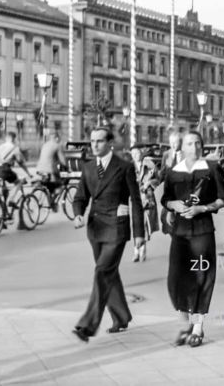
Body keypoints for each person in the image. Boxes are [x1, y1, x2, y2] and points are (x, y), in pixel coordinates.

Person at [71, 127, 145, 342]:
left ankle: (87, 325)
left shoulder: (124, 167)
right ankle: (122, 316)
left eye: (100, 141)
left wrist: (139, 232)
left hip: (116, 228)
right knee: (109, 273)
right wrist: (77, 215)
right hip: (95, 229)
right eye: (92, 141)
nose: (94, 145)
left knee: (102, 272)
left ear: (110, 143)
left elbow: (136, 201)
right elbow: (80, 197)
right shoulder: (88, 168)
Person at [161, 131, 224, 348]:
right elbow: (166, 198)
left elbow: (223, 199)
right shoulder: (173, 172)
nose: (195, 147)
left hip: (202, 231)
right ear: (181, 147)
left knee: (202, 277)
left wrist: (202, 208)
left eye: (198, 143)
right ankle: (184, 323)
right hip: (179, 233)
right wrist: (173, 205)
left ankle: (198, 326)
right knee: (175, 280)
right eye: (190, 143)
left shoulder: (211, 169)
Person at [129, 145, 160, 262]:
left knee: (145, 225)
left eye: (137, 153)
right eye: (133, 154)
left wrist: (149, 183)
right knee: (136, 225)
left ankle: (142, 250)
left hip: (147, 198)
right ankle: (136, 251)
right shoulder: (129, 167)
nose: (135, 156)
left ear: (141, 153)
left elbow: (158, 178)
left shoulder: (149, 164)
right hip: (135, 199)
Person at [0, 132, 32, 212]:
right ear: (14, 139)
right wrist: (28, 173)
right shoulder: (14, 148)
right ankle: (11, 200)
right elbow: (21, 162)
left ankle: (3, 214)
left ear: (6, 138)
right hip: (5, 171)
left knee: (4, 191)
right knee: (18, 182)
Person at [159, 130, 183, 235]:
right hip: (169, 191)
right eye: (171, 142)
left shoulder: (186, 154)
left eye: (176, 142)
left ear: (180, 142)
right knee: (168, 220)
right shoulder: (166, 155)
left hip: (182, 191)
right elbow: (162, 173)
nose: (173, 145)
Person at [35, 132, 68, 208]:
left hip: (39, 169)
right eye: (59, 138)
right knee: (61, 185)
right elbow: (63, 160)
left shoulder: (45, 145)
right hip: (49, 170)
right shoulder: (57, 145)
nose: (59, 140)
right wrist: (67, 168)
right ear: (56, 138)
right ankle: (52, 202)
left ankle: (50, 200)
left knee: (49, 185)